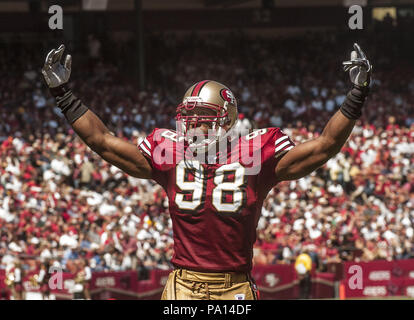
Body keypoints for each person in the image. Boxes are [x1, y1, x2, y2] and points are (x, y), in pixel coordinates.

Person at [41, 43, 372, 300]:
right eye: (189, 117)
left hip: (234, 286)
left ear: (227, 119)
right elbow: (103, 143)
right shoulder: (169, 151)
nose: (193, 124)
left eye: (202, 116)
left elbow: (325, 145)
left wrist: (356, 95)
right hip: (182, 284)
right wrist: (63, 94)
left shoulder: (256, 152)